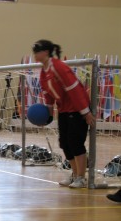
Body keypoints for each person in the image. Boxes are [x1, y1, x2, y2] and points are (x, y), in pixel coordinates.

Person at [32, 39, 95, 188]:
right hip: (63, 110)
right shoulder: (44, 71)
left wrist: (85, 112)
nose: (35, 54)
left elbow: (75, 89)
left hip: (76, 109)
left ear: (46, 52)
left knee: (75, 142)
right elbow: (47, 94)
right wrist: (47, 115)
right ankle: (74, 175)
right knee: (65, 143)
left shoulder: (58, 67)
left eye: (37, 51)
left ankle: (81, 177)